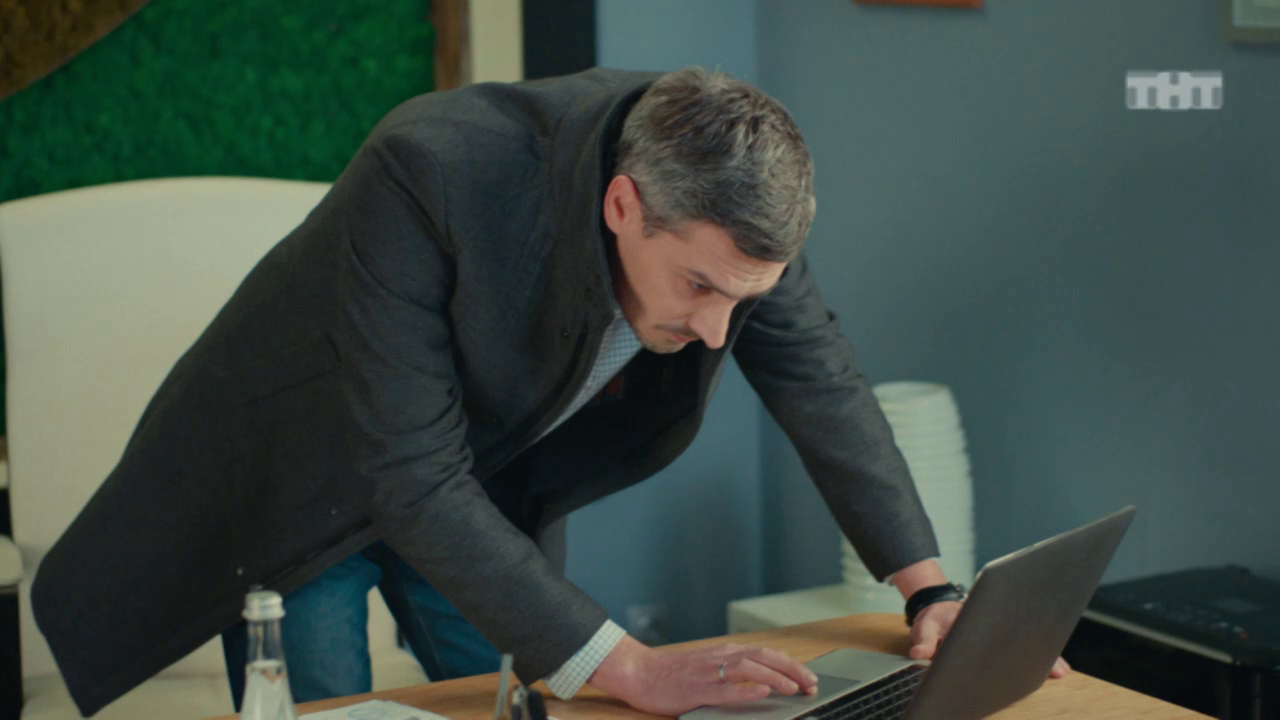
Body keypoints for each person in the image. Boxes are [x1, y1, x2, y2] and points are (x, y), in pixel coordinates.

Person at [31, 66, 1066, 718]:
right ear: (622, 204)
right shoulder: (426, 172)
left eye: (741, 299)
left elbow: (820, 383)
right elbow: (410, 476)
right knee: (339, 706)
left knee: (542, 698)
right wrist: (637, 665)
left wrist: (931, 593)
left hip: (471, 478)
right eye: (698, 289)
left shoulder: (729, 208)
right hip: (309, 474)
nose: (716, 332)